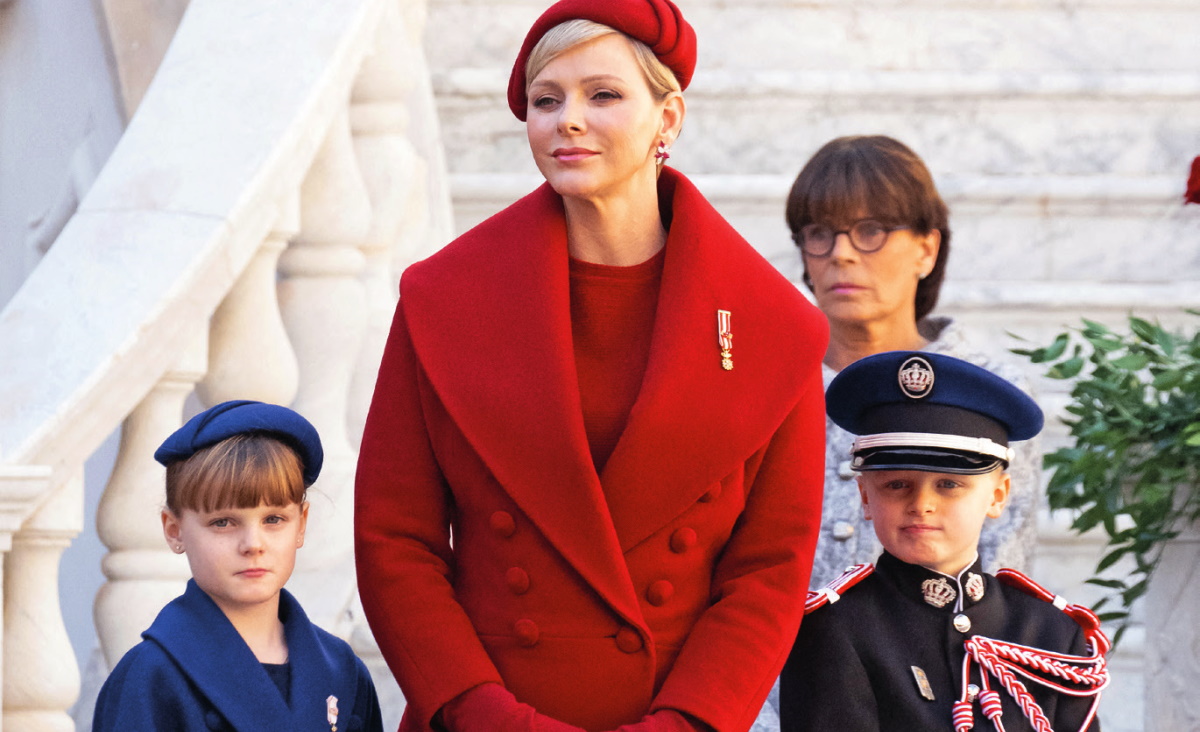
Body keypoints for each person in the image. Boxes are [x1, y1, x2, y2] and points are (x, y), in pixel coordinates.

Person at [354, 1, 828, 731]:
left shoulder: (777, 327)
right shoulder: (441, 298)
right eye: (547, 100)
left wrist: (687, 723)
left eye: (602, 95)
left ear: (667, 119)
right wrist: (485, 715)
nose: (567, 120)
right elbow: (396, 538)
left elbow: (767, 572)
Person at [780, 351, 1110, 732]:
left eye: (949, 485)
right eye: (896, 485)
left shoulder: (1050, 632)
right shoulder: (837, 628)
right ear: (866, 497)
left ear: (999, 496)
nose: (921, 505)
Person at [785, 135, 1040, 588]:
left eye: (870, 232)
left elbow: (1001, 570)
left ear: (926, 249)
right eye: (820, 233)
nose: (841, 254)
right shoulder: (770, 382)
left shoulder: (993, 390)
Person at [93, 400, 383, 732]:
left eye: (274, 519)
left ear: (301, 524)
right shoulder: (151, 677)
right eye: (223, 523)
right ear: (174, 531)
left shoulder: (343, 672)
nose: (253, 545)